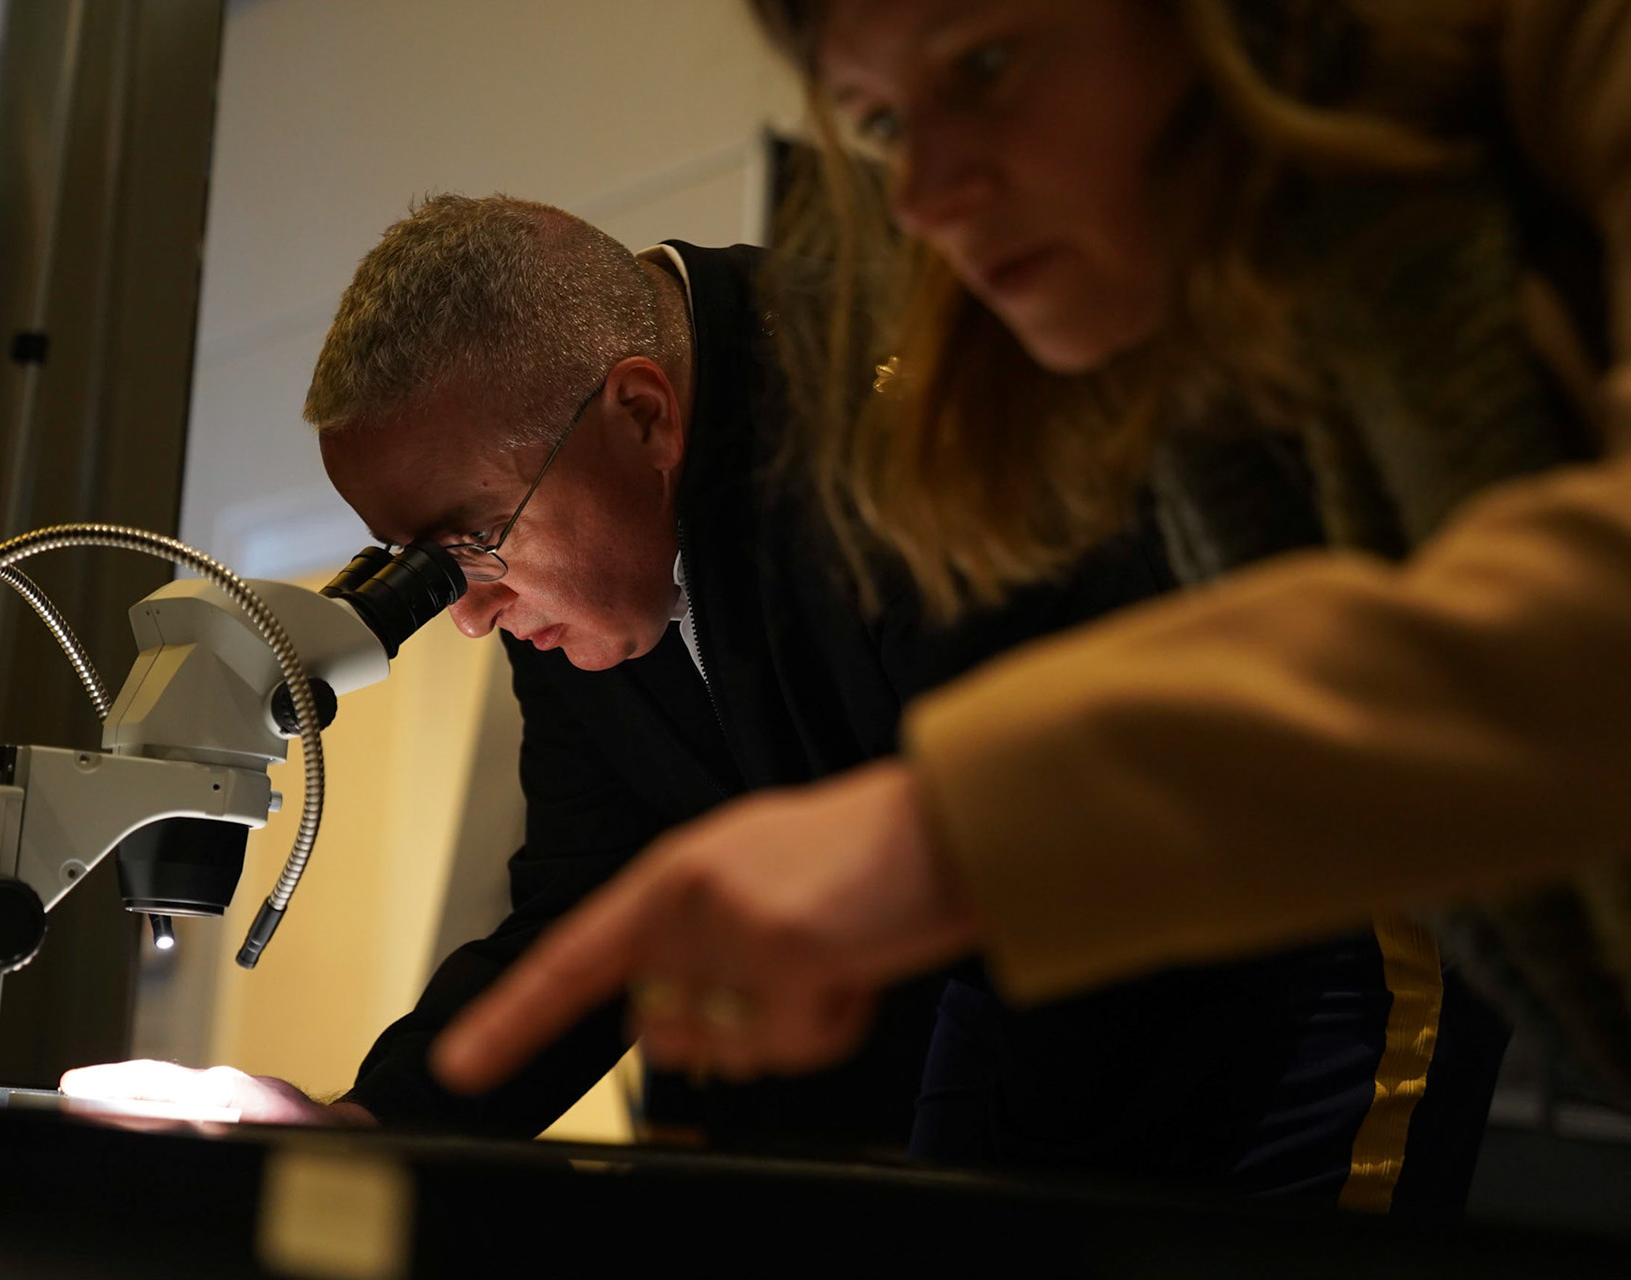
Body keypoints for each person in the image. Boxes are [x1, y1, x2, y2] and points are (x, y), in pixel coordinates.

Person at [69, 195, 1495, 1204]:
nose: (469, 609)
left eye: (466, 549)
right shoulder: (577, 555)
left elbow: (1042, 889)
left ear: (641, 412)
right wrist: (372, 1124)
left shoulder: (912, 439)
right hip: (1021, 995)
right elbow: (596, 897)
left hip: (1282, 943)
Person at [429, 0, 1631, 1194]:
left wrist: (942, 828)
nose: (925, 195)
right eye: (888, 121)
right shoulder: (1204, 362)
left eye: (989, 64)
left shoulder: (1581, 54)